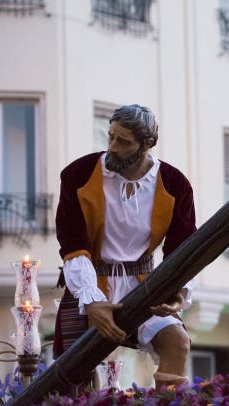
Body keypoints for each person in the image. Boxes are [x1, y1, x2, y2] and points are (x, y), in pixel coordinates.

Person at [53, 105, 196, 389]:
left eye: (124, 141)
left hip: (145, 285)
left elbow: (183, 251)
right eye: (110, 137)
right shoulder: (78, 175)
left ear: (148, 144)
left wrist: (178, 292)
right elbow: (72, 244)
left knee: (177, 343)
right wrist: (91, 299)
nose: (112, 147)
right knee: (75, 370)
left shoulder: (175, 184)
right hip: (91, 281)